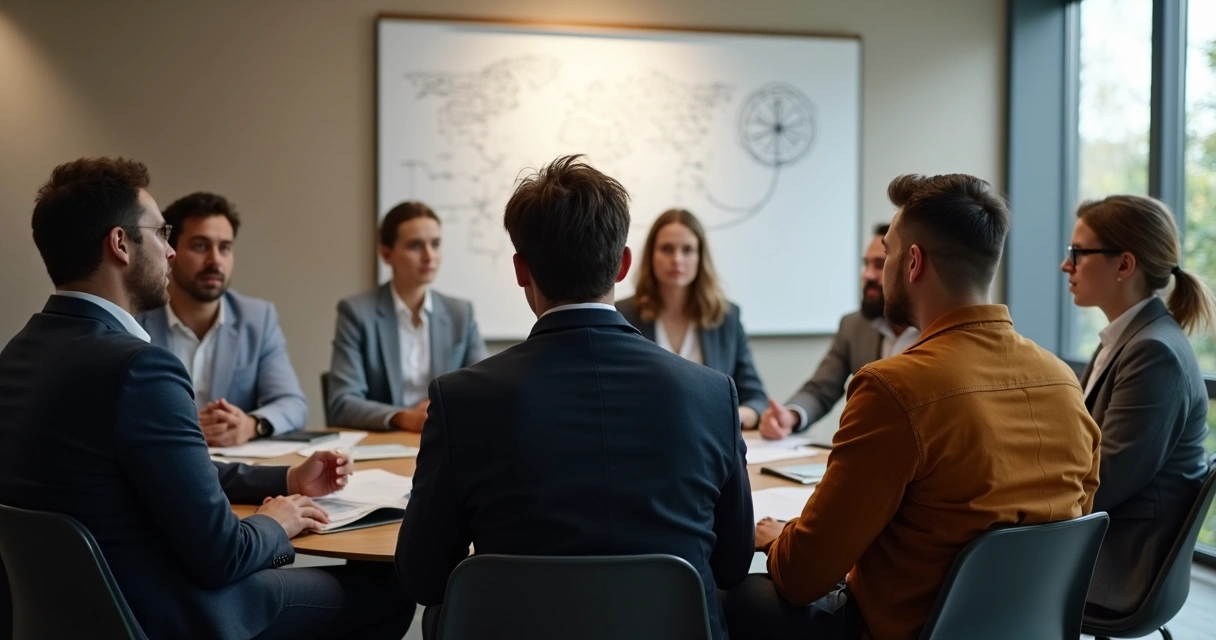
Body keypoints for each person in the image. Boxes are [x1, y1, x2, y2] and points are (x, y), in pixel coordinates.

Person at [0, 158, 413, 640]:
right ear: (119, 244)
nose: (170, 252)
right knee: (391, 589)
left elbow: (164, 469)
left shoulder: (19, 352)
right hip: (167, 617)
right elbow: (225, 555)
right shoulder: (140, 368)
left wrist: (285, 477)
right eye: (161, 234)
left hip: (65, 616)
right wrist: (275, 522)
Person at [722, 174, 1101, 640]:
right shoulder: (1063, 380)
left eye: (888, 251)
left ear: (913, 262)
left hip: (907, 630)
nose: (879, 271)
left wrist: (778, 536)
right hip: (1027, 628)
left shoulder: (894, 388)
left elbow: (803, 578)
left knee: (734, 596)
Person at [396, 156, 754, 640]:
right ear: (624, 264)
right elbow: (732, 565)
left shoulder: (460, 399)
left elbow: (423, 576)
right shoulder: (713, 395)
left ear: (522, 270)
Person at [1062, 194, 1213, 615]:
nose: (1065, 265)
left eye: (1077, 252)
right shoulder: (1131, 339)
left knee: (970, 570)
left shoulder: (1153, 353)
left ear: (1124, 265)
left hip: (1121, 566)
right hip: (1113, 547)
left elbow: (1105, 479)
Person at [137, 192, 309, 445]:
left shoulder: (258, 319)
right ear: (169, 250)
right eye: (200, 246)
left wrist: (251, 425)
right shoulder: (136, 318)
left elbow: (293, 403)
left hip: (236, 470)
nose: (215, 260)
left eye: (225, 248)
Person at [327, 201, 487, 431]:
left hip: (446, 441)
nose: (429, 255)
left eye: (436, 244)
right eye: (415, 246)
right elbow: (342, 403)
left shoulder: (460, 312)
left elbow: (484, 389)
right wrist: (405, 417)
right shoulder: (357, 312)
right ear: (386, 253)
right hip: (383, 443)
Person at [758, 223, 919, 440]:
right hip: (870, 458)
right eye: (865, 264)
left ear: (913, 266)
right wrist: (790, 415)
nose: (867, 275)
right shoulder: (854, 326)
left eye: (879, 265)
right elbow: (821, 389)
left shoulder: (938, 328)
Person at [616, 209, 767, 428]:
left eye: (687, 250)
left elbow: (756, 399)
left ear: (700, 257)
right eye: (667, 249)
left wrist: (733, 416)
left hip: (712, 440)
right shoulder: (623, 314)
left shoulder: (726, 316)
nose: (677, 260)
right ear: (651, 256)